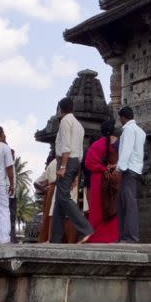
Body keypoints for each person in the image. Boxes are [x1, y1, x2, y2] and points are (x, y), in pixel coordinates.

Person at [50, 97, 94, 244]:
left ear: (60, 109)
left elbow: (66, 147)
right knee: (59, 201)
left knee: (63, 197)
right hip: (75, 162)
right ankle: (55, 238)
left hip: (66, 161)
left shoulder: (65, 121)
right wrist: (76, 173)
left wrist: (63, 166)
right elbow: (80, 152)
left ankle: (86, 228)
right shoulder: (79, 125)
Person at [83, 119, 120, 243]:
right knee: (111, 205)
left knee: (97, 208)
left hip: (98, 178)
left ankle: (96, 236)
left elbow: (88, 163)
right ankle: (112, 236)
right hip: (112, 177)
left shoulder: (96, 145)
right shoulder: (117, 143)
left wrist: (102, 168)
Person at [114, 106, 146, 243]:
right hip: (136, 168)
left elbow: (126, 150)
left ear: (122, 117)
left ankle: (131, 237)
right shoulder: (140, 131)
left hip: (128, 169)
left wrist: (119, 168)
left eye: (120, 118)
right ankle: (124, 236)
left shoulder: (128, 129)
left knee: (129, 204)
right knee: (124, 203)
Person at [0, 126, 15, 243]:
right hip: (0, 183)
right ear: (0, 134)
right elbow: (9, 167)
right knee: (4, 211)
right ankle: (5, 239)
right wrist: (12, 184)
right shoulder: (5, 148)